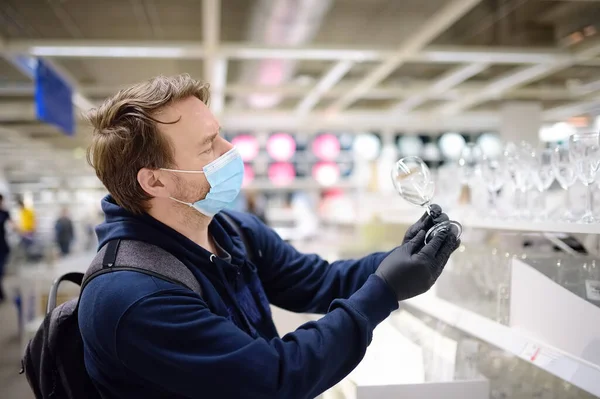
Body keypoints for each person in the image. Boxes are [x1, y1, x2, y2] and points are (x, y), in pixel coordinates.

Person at [79, 74, 460, 399]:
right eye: (208, 146)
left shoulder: (231, 232)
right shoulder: (133, 297)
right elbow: (274, 379)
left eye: (220, 136)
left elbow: (320, 282)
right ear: (155, 180)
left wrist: (403, 257)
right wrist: (384, 292)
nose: (230, 151)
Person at [0, 194, 11, 302]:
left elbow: (12, 224)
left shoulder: (4, 213)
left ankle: (2, 295)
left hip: (2, 246)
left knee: (0, 271)